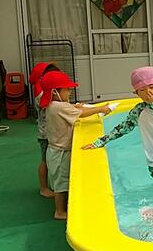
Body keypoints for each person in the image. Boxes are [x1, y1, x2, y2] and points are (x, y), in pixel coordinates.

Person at [82, 66, 153, 179]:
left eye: (152, 87)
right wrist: (100, 142)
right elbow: (122, 128)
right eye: (142, 90)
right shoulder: (138, 111)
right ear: (137, 93)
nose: (148, 92)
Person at [40, 71, 110, 219]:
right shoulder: (58, 106)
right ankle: (60, 211)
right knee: (61, 183)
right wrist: (101, 109)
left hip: (55, 150)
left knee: (62, 180)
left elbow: (73, 109)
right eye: (67, 89)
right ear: (55, 92)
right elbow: (81, 114)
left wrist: (76, 106)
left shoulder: (53, 104)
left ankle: (63, 206)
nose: (70, 92)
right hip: (60, 153)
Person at [28, 61, 59, 198]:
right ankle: (44, 188)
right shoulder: (40, 95)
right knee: (45, 161)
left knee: (49, 161)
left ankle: (49, 186)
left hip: (50, 133)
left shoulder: (43, 91)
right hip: (46, 135)